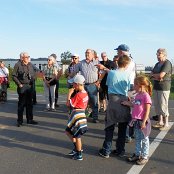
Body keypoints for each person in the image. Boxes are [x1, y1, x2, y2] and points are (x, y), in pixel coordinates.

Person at [98, 55, 131, 158]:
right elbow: (128, 88)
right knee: (122, 128)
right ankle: (120, 150)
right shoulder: (128, 74)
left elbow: (108, 84)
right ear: (126, 64)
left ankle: (106, 150)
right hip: (124, 100)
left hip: (113, 100)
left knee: (110, 126)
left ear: (118, 63)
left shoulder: (112, 73)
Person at [122, 75, 152, 165]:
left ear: (141, 85)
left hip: (142, 121)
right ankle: (137, 154)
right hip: (135, 120)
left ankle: (145, 156)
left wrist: (144, 121)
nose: (133, 86)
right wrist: (127, 103)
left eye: (135, 85)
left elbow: (147, 110)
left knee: (145, 139)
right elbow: (136, 105)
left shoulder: (146, 96)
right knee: (138, 139)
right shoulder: (138, 95)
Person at [114, 44, 136, 143]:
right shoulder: (131, 60)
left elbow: (122, 74)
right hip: (131, 86)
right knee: (131, 111)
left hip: (127, 87)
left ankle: (127, 135)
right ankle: (132, 133)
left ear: (122, 51)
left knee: (126, 111)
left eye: (118, 51)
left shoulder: (127, 61)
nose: (117, 53)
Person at [65, 74, 89, 161]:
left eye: (74, 84)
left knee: (77, 136)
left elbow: (68, 104)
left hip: (78, 117)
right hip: (79, 115)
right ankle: (77, 148)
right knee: (68, 131)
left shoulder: (79, 94)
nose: (73, 86)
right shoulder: (85, 93)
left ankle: (79, 154)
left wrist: (69, 94)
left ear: (78, 84)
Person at [12, 52, 38, 127]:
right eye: (27, 57)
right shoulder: (18, 65)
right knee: (21, 104)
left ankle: (30, 119)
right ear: (23, 58)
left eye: (28, 57)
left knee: (30, 104)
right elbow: (14, 76)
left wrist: (34, 78)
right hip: (22, 86)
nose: (28, 58)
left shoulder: (30, 64)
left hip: (30, 86)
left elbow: (34, 73)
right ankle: (19, 121)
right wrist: (19, 84)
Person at [74, 49, 100, 123]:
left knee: (94, 102)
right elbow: (75, 72)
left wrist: (99, 81)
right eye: (86, 53)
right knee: (83, 102)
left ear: (92, 54)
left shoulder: (97, 62)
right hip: (83, 85)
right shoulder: (81, 63)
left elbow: (102, 72)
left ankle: (95, 118)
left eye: (88, 53)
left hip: (93, 85)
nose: (87, 54)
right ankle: (83, 116)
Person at [151, 48, 172, 131]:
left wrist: (156, 76)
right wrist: (157, 76)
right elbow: (152, 74)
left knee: (163, 105)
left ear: (164, 54)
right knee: (157, 105)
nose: (157, 55)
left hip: (164, 87)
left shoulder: (167, 63)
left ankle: (166, 123)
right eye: (157, 54)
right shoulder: (157, 64)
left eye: (159, 54)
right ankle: (160, 122)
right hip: (156, 86)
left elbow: (161, 75)